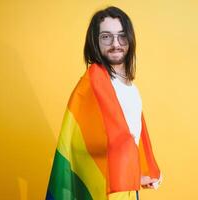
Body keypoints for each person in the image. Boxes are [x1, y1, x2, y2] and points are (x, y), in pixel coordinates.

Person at [46, 6, 162, 200]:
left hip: (125, 187)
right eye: (106, 36)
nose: (115, 43)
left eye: (121, 35)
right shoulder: (93, 83)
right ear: (95, 42)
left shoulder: (132, 88)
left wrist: (137, 175)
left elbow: (130, 141)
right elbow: (79, 144)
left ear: (130, 39)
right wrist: (127, 166)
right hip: (102, 188)